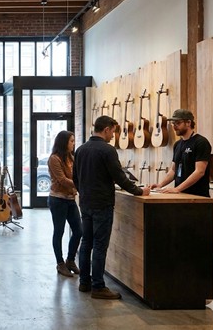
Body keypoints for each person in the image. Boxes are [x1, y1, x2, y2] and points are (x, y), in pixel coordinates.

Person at [73, 116, 150, 300]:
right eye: (113, 131)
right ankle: (98, 286)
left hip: (85, 203)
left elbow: (75, 177)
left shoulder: (81, 150)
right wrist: (139, 192)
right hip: (102, 204)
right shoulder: (107, 150)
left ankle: (84, 282)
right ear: (106, 129)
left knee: (86, 243)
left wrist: (83, 192)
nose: (113, 136)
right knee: (100, 245)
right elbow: (120, 177)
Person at [150, 109, 211, 197]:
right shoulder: (177, 144)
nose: (174, 127)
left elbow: (199, 171)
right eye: (173, 123)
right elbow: (173, 170)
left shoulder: (201, 142)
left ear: (188, 123)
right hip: (180, 195)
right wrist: (160, 185)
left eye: (178, 123)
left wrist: (177, 189)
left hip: (197, 196)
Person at [48, 130, 82, 278]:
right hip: (58, 200)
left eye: (74, 141)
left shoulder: (71, 158)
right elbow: (62, 180)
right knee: (59, 231)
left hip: (70, 199)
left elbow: (77, 175)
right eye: (71, 141)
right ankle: (60, 264)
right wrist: (80, 185)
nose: (73, 144)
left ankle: (70, 260)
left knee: (79, 231)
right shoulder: (54, 159)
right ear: (64, 142)